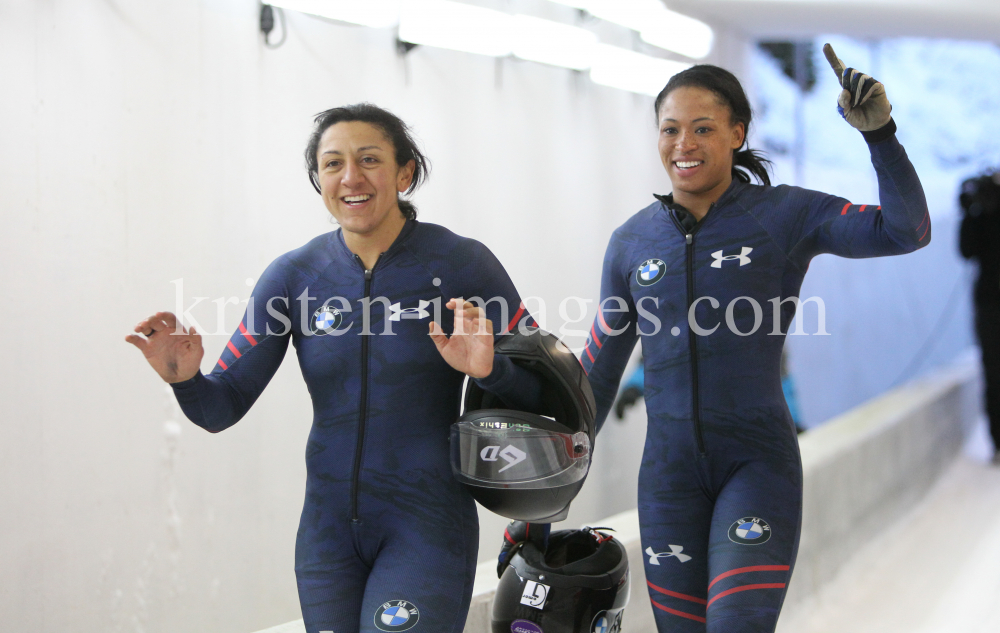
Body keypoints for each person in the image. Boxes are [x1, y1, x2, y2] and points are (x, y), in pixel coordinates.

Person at [125, 103, 539, 633]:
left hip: (428, 526)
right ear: (317, 178)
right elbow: (220, 407)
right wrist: (185, 379)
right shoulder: (293, 276)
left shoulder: (460, 263)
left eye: (369, 159)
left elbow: (542, 390)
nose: (351, 178)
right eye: (332, 164)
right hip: (326, 537)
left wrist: (489, 371)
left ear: (405, 172)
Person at [578, 47, 930, 632]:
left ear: (737, 133)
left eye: (703, 128)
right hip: (668, 480)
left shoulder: (784, 214)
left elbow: (905, 230)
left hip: (757, 469)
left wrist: (881, 137)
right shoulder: (631, 242)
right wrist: (536, 498)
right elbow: (594, 378)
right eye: (670, 130)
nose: (683, 144)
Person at [959, 171, 1000, 465]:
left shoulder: (982, 212)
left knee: (994, 374)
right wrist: (969, 213)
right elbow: (966, 250)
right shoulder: (980, 214)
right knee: (994, 374)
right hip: (989, 306)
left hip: (988, 305)